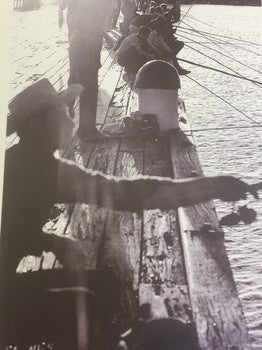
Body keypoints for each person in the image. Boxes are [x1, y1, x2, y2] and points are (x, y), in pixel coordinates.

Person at [0, 79, 255, 279]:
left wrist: (51, 240)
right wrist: (213, 186)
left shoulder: (17, 161)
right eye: (63, 114)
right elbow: (129, 194)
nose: (71, 121)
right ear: (35, 125)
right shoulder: (46, 172)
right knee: (103, 292)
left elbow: (13, 229)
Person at [59, 0, 114, 139]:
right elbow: (89, 22)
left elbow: (86, 20)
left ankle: (65, 114)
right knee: (90, 87)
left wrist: (106, 36)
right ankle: (87, 129)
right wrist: (106, 36)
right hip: (86, 44)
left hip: (78, 42)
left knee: (75, 79)